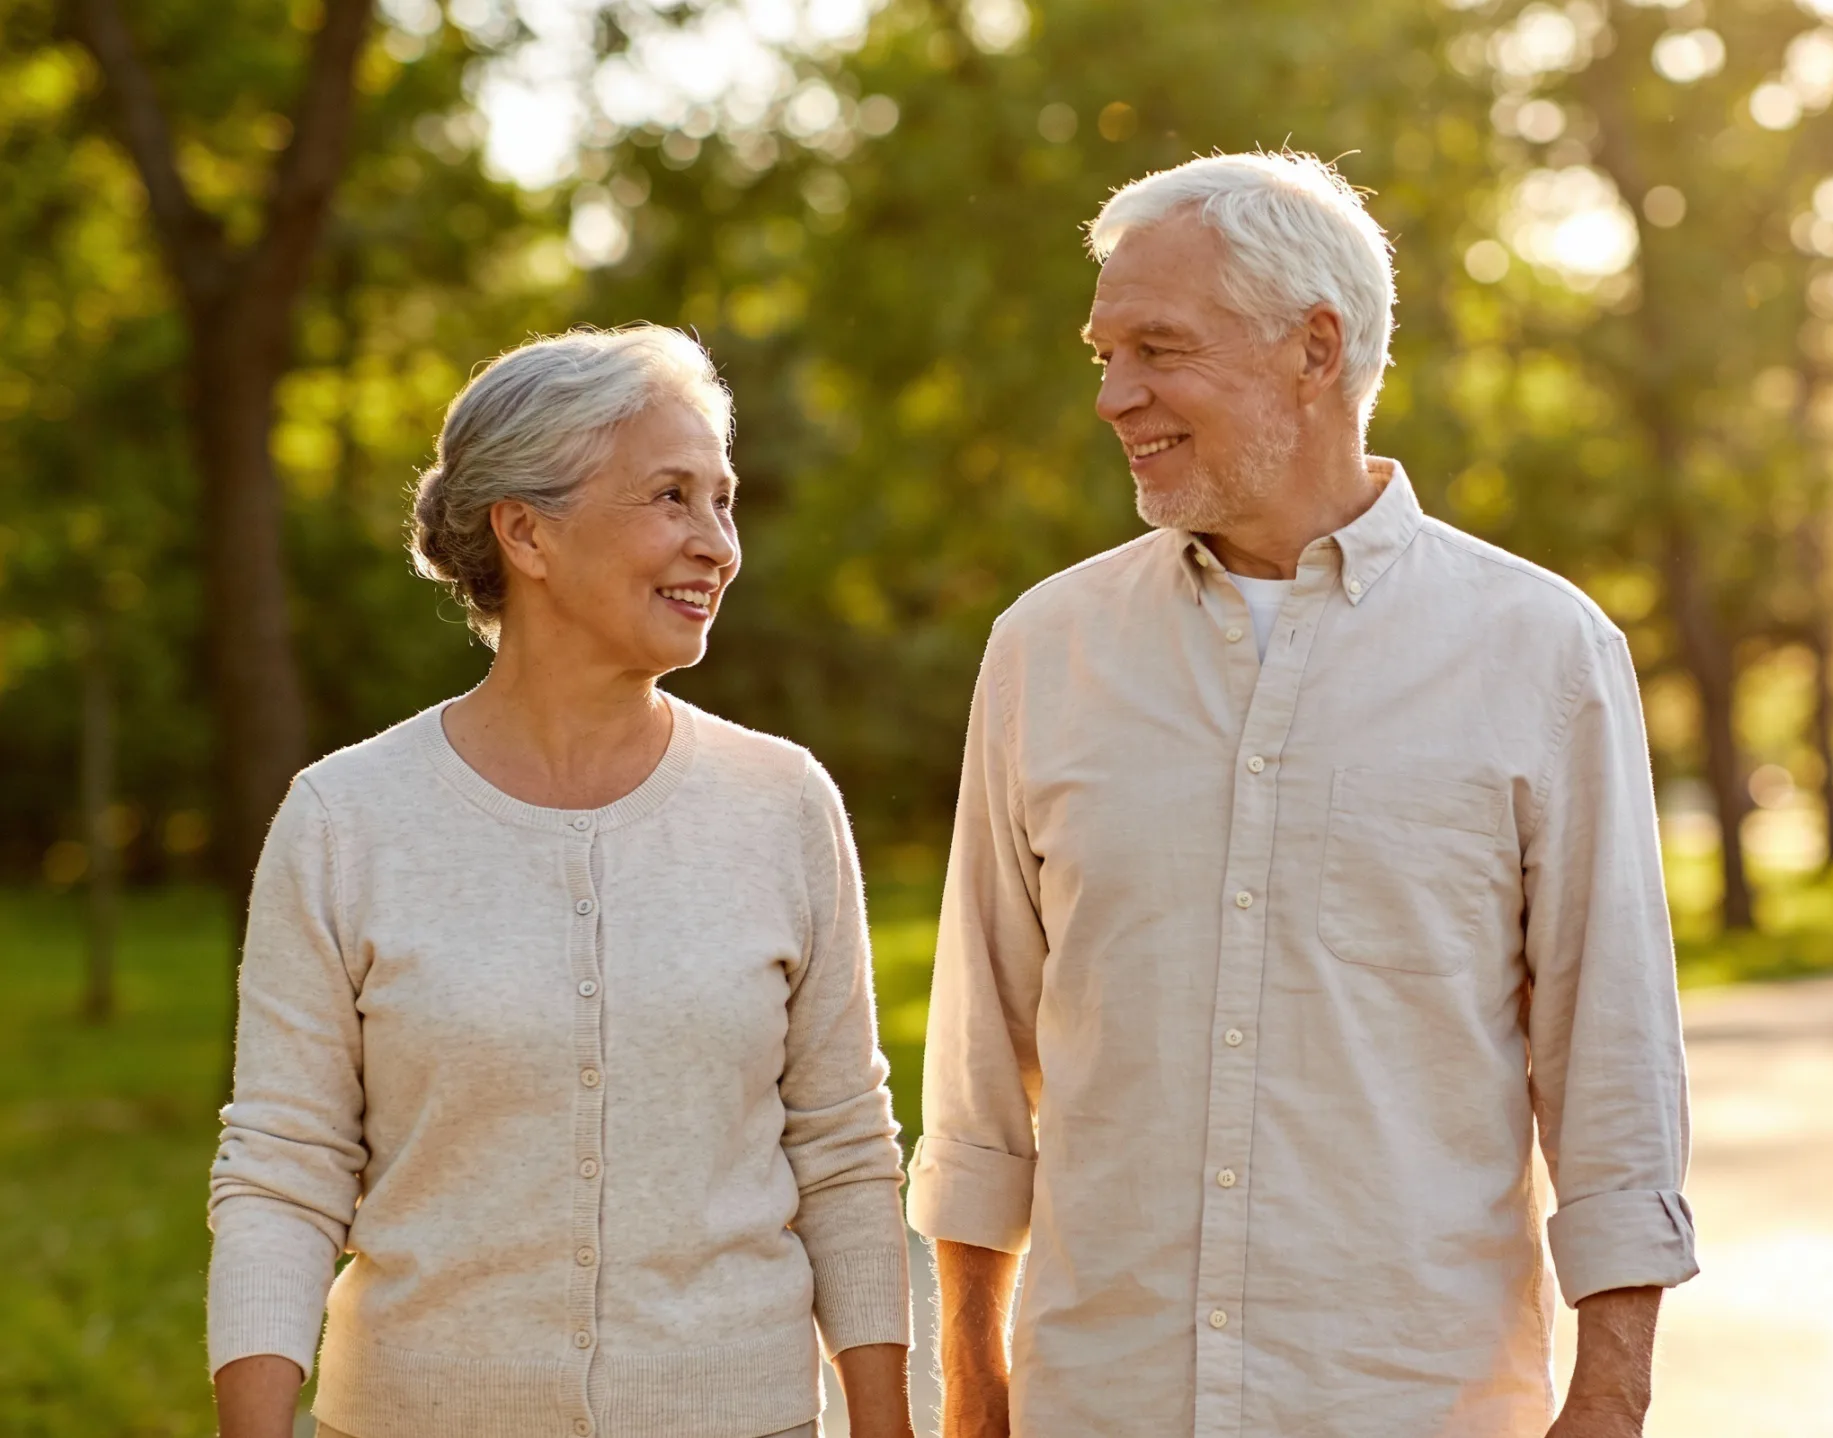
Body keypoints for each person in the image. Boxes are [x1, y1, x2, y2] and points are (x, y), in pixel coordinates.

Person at [911, 153, 1699, 1438]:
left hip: (1409, 1400)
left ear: (1313, 348)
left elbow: (1610, 1061)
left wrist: (1611, 1395)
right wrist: (973, 1377)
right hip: (1103, 1400)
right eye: (1103, 355)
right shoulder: (1044, 648)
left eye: (1158, 348)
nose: (1115, 397)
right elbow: (977, 1056)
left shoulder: (1543, 651)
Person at [205, 326, 913, 1438]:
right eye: (671, 497)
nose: (717, 544)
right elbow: (284, 1166)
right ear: (526, 532)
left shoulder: (782, 804)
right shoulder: (348, 819)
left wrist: (885, 1422)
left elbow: (842, 1148)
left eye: (723, 502)